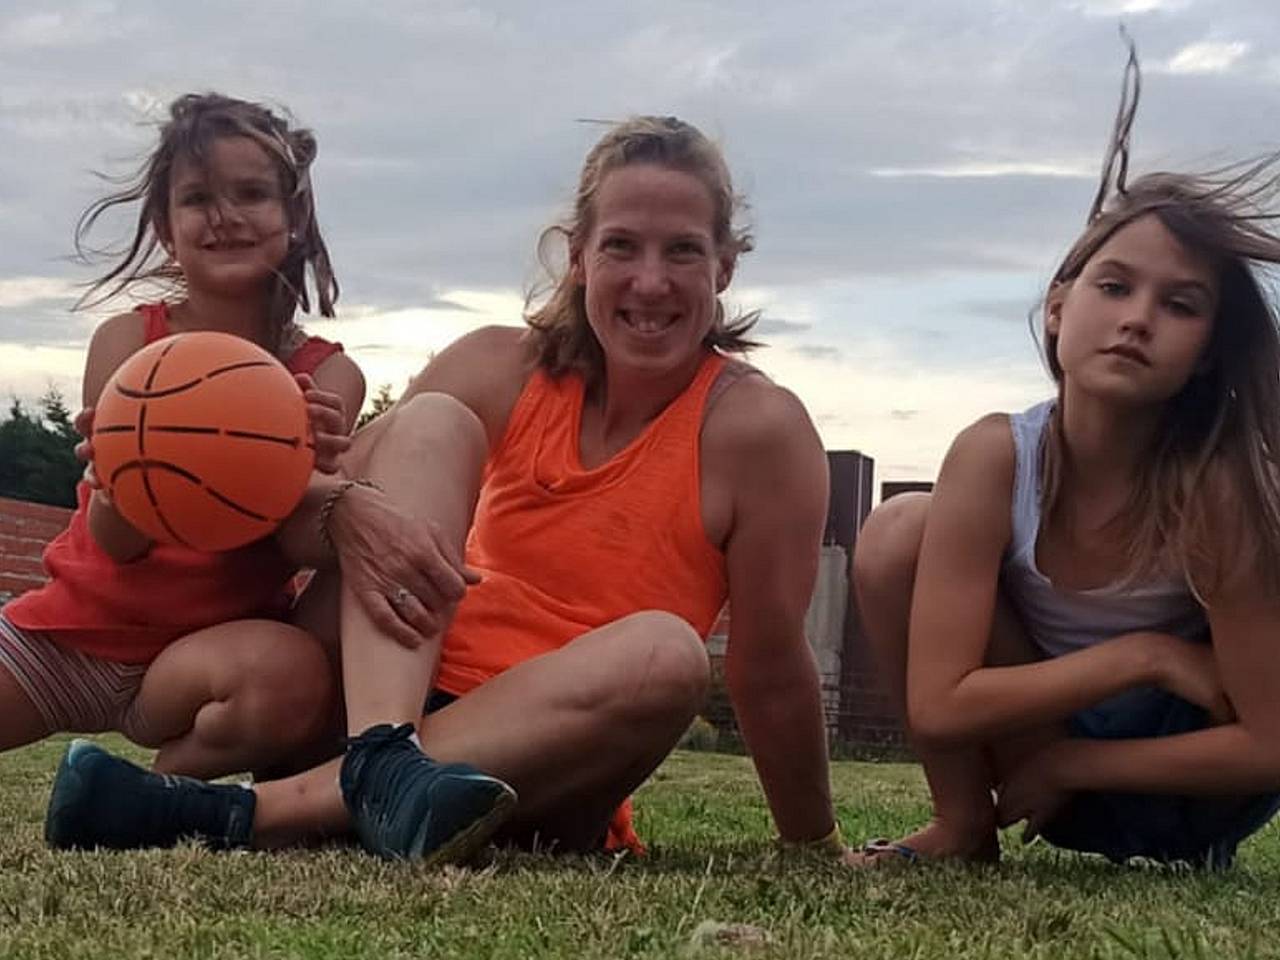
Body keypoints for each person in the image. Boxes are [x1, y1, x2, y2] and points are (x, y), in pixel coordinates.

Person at [45, 115, 845, 866]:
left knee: (667, 655)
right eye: (621, 247)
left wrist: (813, 846)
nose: (649, 281)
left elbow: (770, 665)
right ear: (577, 256)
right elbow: (295, 529)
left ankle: (247, 815)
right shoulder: (496, 365)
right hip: (376, 697)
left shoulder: (757, 428)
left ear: (725, 266)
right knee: (430, 421)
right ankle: (385, 759)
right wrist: (343, 502)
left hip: (538, 763)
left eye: (682, 252)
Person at [849, 49, 1280, 868]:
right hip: (1031, 769)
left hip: (1184, 796)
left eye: (1179, 304)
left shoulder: (1216, 489)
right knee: (901, 527)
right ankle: (959, 826)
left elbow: (1268, 744)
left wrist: (1078, 760)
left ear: (1208, 354)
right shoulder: (996, 455)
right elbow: (938, 708)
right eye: (1113, 287)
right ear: (1058, 308)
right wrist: (1145, 655)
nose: (1138, 318)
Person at [1, 93, 365, 789]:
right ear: (168, 229)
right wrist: (130, 467)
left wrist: (305, 470)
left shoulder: (328, 377)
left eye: (252, 194)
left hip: (205, 657)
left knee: (292, 676)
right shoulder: (128, 343)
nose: (225, 216)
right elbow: (116, 541)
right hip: (66, 637)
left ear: (295, 221)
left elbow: (295, 535)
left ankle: (148, 792)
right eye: (198, 198)